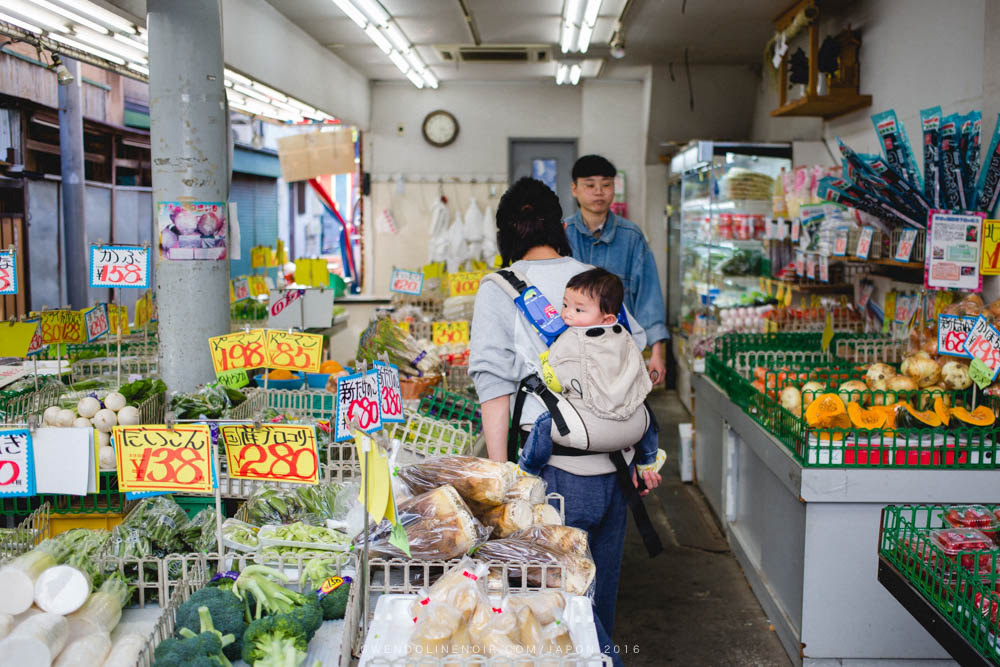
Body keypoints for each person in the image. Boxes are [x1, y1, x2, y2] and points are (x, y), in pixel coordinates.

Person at [469, 177, 660, 666]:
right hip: (616, 469)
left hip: (552, 474)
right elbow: (632, 358)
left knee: (554, 611)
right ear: (560, 224)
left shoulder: (499, 287)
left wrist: (503, 482)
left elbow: (494, 387)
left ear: (505, 232)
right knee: (598, 600)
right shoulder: (594, 278)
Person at [516, 267, 663, 490]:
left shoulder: (571, 339)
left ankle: (527, 470)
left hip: (592, 431)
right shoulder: (624, 336)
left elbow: (555, 382)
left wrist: (546, 363)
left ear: (608, 317)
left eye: (578, 309)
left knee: (543, 424)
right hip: (633, 430)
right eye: (565, 305)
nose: (567, 314)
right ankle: (648, 461)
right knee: (645, 411)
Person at [564, 154, 669, 385]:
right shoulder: (561, 234)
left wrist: (657, 354)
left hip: (622, 353)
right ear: (574, 189)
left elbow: (648, 296)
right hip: (570, 353)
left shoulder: (632, 237)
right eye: (590, 185)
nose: (599, 191)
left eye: (606, 184)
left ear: (614, 187)